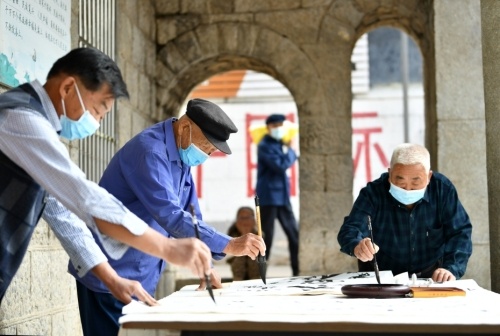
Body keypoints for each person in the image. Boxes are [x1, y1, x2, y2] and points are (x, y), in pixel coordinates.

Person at [0, 47, 212, 306]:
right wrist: (167, 248)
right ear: (68, 87)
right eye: (97, 109)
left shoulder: (36, 128)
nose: (96, 121)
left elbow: (66, 216)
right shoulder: (21, 119)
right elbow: (85, 197)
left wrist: (111, 278)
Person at [71, 98, 267, 336]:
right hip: (110, 272)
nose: (205, 156)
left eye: (210, 152)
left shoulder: (181, 154)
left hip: (141, 272)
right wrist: (231, 243)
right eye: (205, 148)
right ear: (185, 128)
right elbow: (172, 216)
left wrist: (205, 261)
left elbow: (192, 217)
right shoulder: (150, 152)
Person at [337, 143, 473, 282]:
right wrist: (357, 245)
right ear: (390, 174)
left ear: (429, 176)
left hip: (431, 276)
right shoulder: (373, 193)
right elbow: (350, 229)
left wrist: (451, 268)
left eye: (415, 183)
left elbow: (460, 232)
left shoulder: (442, 190)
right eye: (400, 182)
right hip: (381, 278)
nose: (407, 189)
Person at [255, 113, 299, 276]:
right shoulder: (265, 145)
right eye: (275, 126)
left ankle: (297, 272)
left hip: (282, 197)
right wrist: (292, 150)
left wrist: (289, 149)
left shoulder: (279, 143)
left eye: (281, 125)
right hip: (269, 198)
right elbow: (280, 165)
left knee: (295, 236)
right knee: (267, 239)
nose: (278, 129)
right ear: (268, 128)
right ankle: (260, 275)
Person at [226, 206, 262, 281]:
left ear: (254, 220)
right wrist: (243, 237)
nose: (245, 221)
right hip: (238, 273)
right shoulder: (232, 235)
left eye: (248, 218)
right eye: (242, 218)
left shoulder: (260, 234)